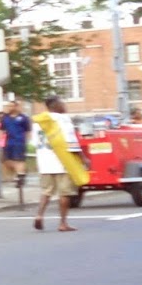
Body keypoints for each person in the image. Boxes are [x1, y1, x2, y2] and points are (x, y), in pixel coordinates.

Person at [34, 95, 83, 232]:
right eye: (62, 103)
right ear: (55, 106)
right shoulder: (63, 120)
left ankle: (39, 215)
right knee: (64, 193)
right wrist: (83, 158)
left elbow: (36, 143)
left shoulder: (39, 122)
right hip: (62, 162)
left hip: (44, 162)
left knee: (46, 192)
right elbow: (71, 142)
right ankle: (63, 223)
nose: (64, 106)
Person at [0, 100, 32, 183]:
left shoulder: (23, 118)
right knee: (6, 161)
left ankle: (20, 176)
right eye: (9, 106)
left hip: (19, 142)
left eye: (12, 106)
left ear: (16, 107)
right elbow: (2, 130)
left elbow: (28, 130)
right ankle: (21, 171)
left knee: (19, 159)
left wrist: (26, 141)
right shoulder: (5, 118)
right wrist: (0, 141)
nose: (10, 108)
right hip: (8, 142)